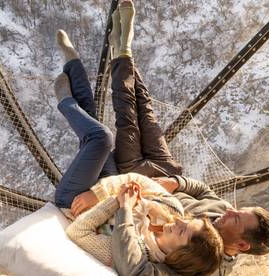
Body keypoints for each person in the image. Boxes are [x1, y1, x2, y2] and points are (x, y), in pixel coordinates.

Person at [71, 0, 269, 275]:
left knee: (127, 117)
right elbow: (201, 190)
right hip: (165, 172)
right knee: (146, 111)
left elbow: (139, 267)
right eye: (239, 210)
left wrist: (123, 208)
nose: (230, 210)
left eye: (236, 218)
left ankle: (121, 50)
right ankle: (124, 51)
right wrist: (176, 182)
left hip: (139, 179)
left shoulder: (207, 263)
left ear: (240, 244)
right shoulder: (221, 209)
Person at [53, 19, 223, 275]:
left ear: (180, 254)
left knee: (100, 138)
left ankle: (65, 101)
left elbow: (78, 232)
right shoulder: (172, 210)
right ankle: (73, 64)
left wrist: (121, 206)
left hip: (74, 201)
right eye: (187, 221)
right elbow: (133, 179)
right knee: (94, 129)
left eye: (182, 230)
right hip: (106, 187)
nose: (178, 220)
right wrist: (108, 194)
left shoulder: (131, 250)